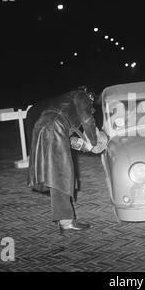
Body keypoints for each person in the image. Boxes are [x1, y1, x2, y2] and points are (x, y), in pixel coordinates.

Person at [27, 87, 106, 232]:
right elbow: (88, 121)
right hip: (53, 127)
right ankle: (66, 221)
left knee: (57, 174)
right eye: (91, 103)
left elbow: (68, 136)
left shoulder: (65, 103)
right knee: (62, 174)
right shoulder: (81, 95)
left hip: (43, 127)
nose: (91, 106)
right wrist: (94, 143)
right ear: (89, 96)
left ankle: (64, 219)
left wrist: (84, 146)